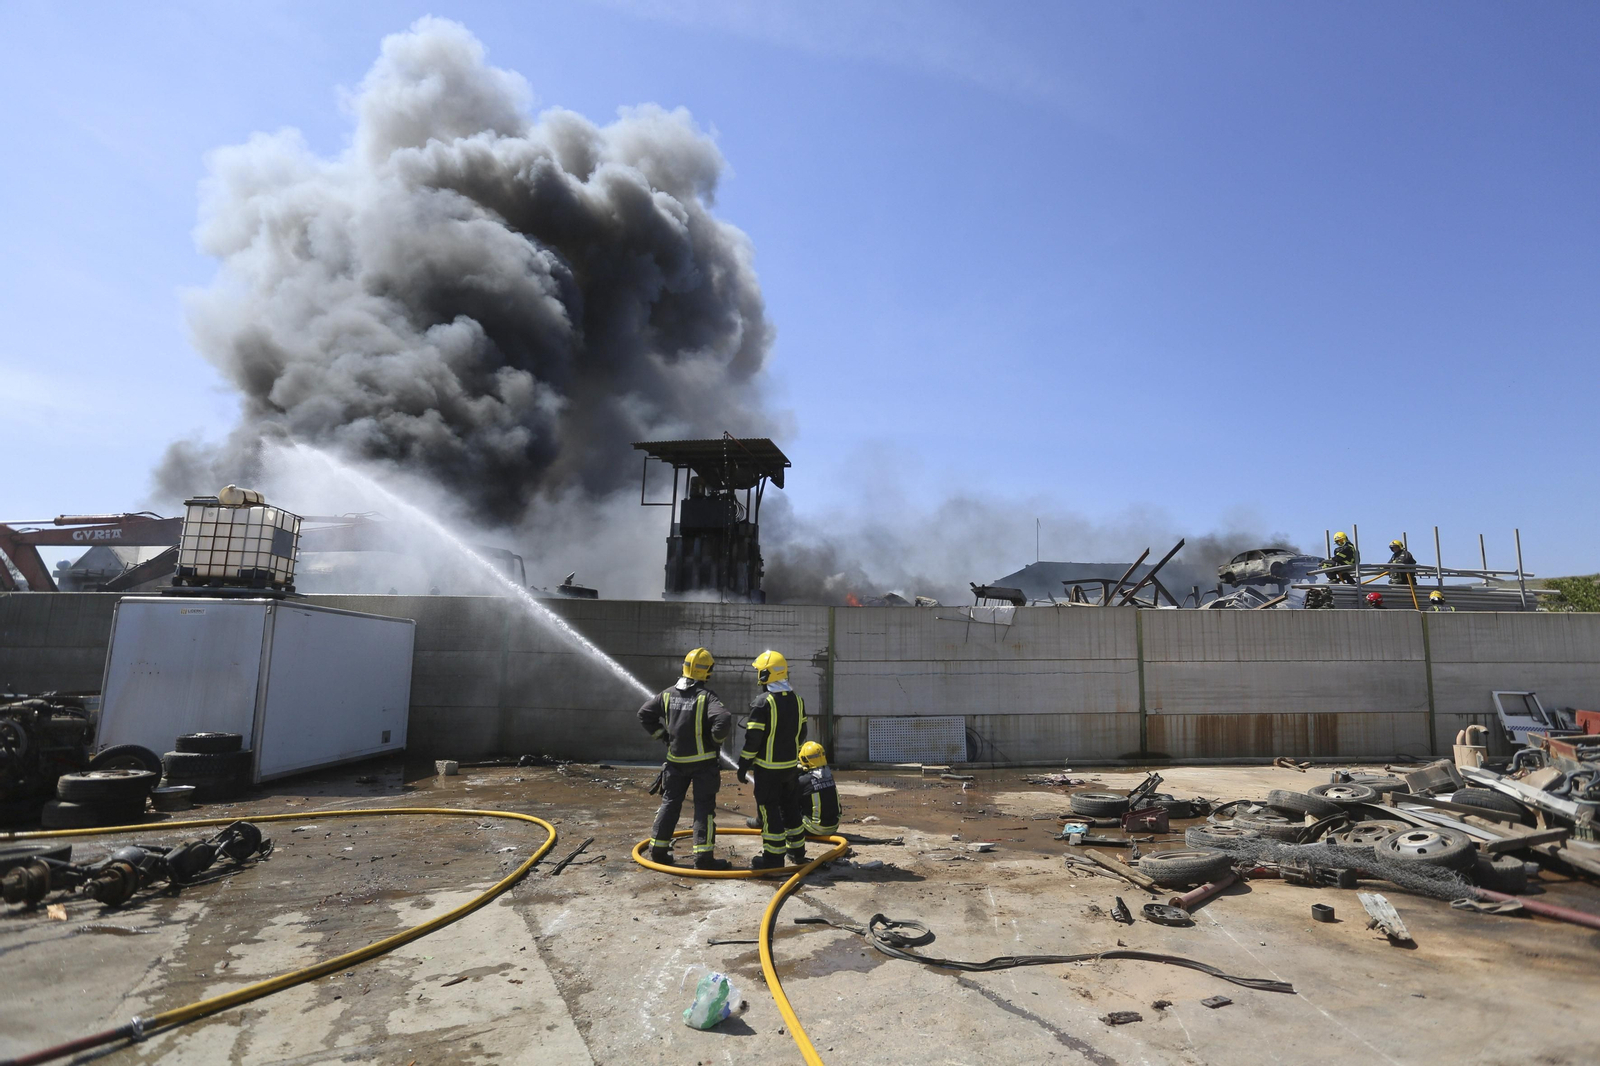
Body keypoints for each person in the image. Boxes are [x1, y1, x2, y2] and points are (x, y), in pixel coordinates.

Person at [638, 647, 733, 870]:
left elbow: (644, 714)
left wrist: (663, 737)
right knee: (703, 808)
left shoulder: (668, 693)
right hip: (703, 766)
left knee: (670, 804)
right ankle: (703, 858)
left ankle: (658, 851)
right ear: (707, 671)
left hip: (675, 764)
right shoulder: (706, 697)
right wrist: (714, 741)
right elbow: (724, 719)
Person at [738, 650, 808, 870]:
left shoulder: (762, 703)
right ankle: (797, 852)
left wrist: (744, 764)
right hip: (790, 768)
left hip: (768, 770)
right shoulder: (797, 700)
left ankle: (773, 858)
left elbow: (753, 739)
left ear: (767, 674)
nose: (758, 676)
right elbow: (802, 733)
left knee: (769, 811)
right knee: (790, 808)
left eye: (760, 672)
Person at [798, 741, 841, 838]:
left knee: (784, 804)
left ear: (804, 758)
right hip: (834, 827)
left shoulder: (803, 780)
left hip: (813, 830)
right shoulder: (829, 776)